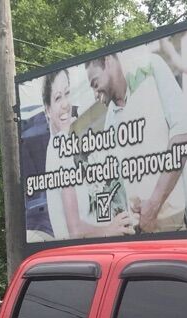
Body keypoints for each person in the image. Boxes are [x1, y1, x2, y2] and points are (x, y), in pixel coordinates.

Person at [85, 52, 187, 233]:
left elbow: (183, 134)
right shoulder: (110, 116)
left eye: (96, 83)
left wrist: (153, 205)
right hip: (140, 235)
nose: (95, 94)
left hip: (175, 229)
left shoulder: (149, 67)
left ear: (109, 61)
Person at [41, 69, 135, 240]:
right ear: (47, 110)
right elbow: (75, 230)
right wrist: (110, 229)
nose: (65, 104)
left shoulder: (60, 145)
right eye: (57, 98)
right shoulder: (60, 148)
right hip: (79, 257)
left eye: (67, 93)